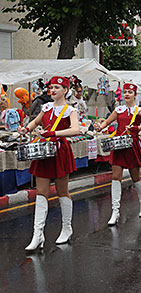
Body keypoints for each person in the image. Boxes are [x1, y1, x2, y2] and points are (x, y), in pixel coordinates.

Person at [18, 76, 80, 250]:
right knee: (41, 192)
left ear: (65, 90)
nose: (52, 90)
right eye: (51, 87)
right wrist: (26, 128)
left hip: (60, 151)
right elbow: (36, 122)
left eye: (57, 87)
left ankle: (67, 228)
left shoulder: (71, 110)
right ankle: (38, 235)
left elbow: (75, 130)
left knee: (62, 191)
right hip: (44, 151)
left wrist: (54, 133)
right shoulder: (45, 107)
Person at [94, 83, 141, 225]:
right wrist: (99, 126)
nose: (127, 94)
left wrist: (137, 127)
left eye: (130, 92)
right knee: (115, 177)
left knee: (135, 177)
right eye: (125, 92)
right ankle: (115, 210)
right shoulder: (119, 109)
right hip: (119, 145)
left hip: (132, 145)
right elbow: (106, 123)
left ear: (135, 94)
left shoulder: (139, 110)